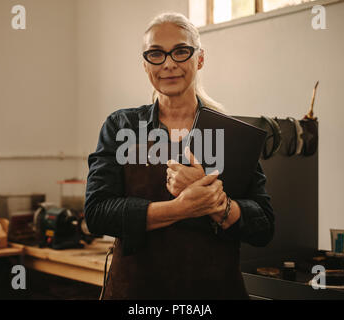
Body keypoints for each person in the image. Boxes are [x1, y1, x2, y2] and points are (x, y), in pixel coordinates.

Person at [84, 12, 275, 300]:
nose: (169, 64)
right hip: (136, 293)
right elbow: (97, 214)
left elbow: (263, 226)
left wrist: (215, 201)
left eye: (181, 51)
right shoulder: (121, 126)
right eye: (156, 54)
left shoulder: (230, 134)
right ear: (145, 64)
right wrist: (184, 207)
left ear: (199, 58)